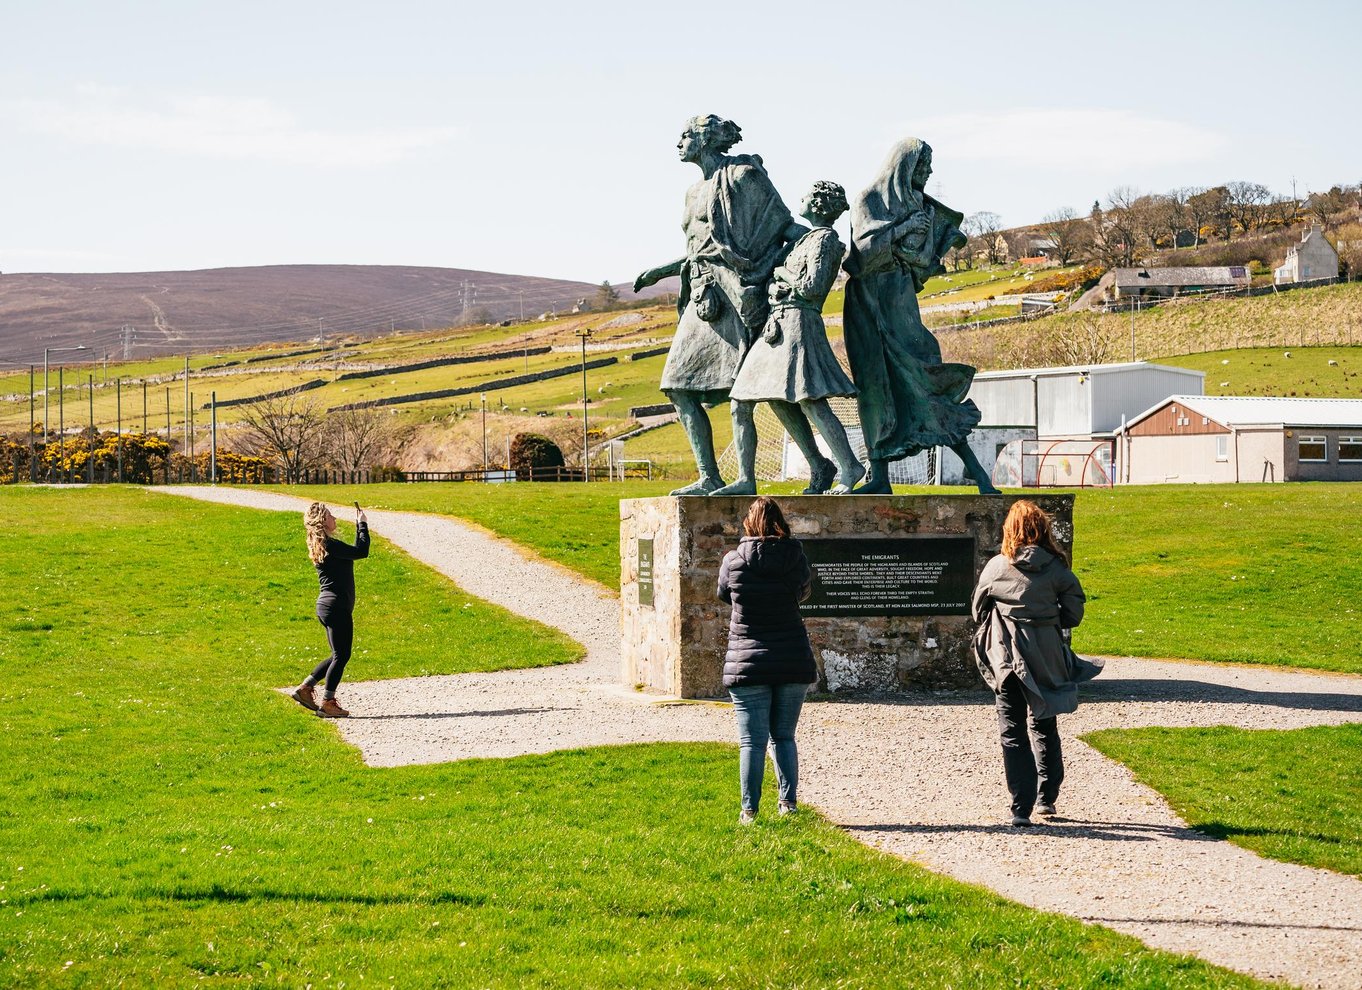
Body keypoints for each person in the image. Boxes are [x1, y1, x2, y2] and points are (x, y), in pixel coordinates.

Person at [634, 114, 804, 495]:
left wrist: (816, 243)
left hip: (738, 292)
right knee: (678, 386)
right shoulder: (692, 192)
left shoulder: (744, 176)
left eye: (685, 135)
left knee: (761, 386)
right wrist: (660, 271)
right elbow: (700, 251)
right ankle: (709, 474)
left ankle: (822, 463)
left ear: (706, 139)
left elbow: (781, 225)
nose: (678, 143)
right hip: (702, 294)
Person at [843, 138, 1000, 494]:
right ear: (903, 166)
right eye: (922, 167)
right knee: (874, 387)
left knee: (924, 379)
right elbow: (861, 256)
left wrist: (936, 243)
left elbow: (921, 265)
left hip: (899, 301)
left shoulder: (923, 206)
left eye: (928, 167)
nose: (928, 174)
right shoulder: (869, 199)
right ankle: (879, 477)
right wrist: (902, 230)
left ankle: (977, 472)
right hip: (867, 303)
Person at [728, 181, 865, 495]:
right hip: (778, 325)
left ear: (816, 204)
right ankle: (808, 466)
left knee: (809, 399)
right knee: (751, 396)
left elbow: (812, 287)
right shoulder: (805, 239)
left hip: (799, 322)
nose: (799, 199)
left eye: (804, 196)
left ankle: (849, 466)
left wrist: (781, 274)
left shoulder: (827, 239)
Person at [971, 500, 1100, 826]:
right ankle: (1047, 797)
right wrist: (1045, 618)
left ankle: (1020, 807)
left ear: (1009, 530)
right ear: (1043, 530)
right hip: (1046, 656)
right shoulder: (1058, 569)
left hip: (1007, 658)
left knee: (1012, 730)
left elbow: (977, 609)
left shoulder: (997, 567)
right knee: (1044, 723)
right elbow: (1074, 614)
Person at [717, 496, 817, 822]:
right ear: (781, 522)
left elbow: (723, 594)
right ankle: (788, 804)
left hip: (748, 662)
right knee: (784, 737)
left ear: (749, 522)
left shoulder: (733, 561)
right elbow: (803, 592)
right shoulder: (795, 557)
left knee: (752, 741)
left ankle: (749, 810)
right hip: (791, 658)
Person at [292, 502, 370, 718]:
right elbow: (361, 552)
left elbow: (355, 553)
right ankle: (327, 702)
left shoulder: (326, 544)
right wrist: (362, 525)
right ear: (322, 521)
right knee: (342, 655)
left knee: (338, 654)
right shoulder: (330, 545)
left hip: (329, 606)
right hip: (335, 606)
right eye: (330, 515)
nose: (334, 517)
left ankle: (306, 688)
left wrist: (359, 528)